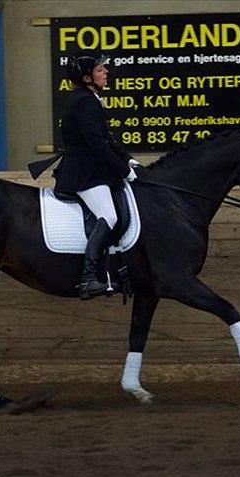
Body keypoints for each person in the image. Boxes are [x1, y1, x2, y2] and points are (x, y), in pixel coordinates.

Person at [54, 53, 139, 300]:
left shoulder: (91, 98)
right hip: (83, 173)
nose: (106, 73)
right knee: (109, 215)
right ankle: (88, 278)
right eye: (100, 70)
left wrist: (128, 160)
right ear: (87, 77)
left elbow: (107, 140)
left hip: (92, 169)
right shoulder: (84, 101)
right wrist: (123, 171)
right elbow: (96, 146)